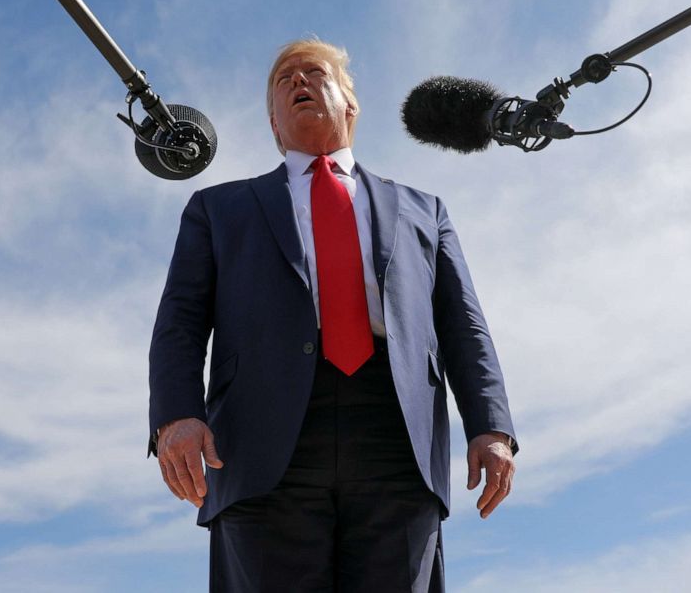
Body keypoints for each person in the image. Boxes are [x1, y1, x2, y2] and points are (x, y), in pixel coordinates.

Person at [149, 37, 517, 592]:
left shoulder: (425, 210)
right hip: (259, 437)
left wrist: (491, 426)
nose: (297, 82)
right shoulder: (217, 209)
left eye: (313, 72)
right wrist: (177, 414)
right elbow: (179, 320)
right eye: (283, 80)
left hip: (397, 432)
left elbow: (464, 326)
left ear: (351, 103)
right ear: (274, 124)